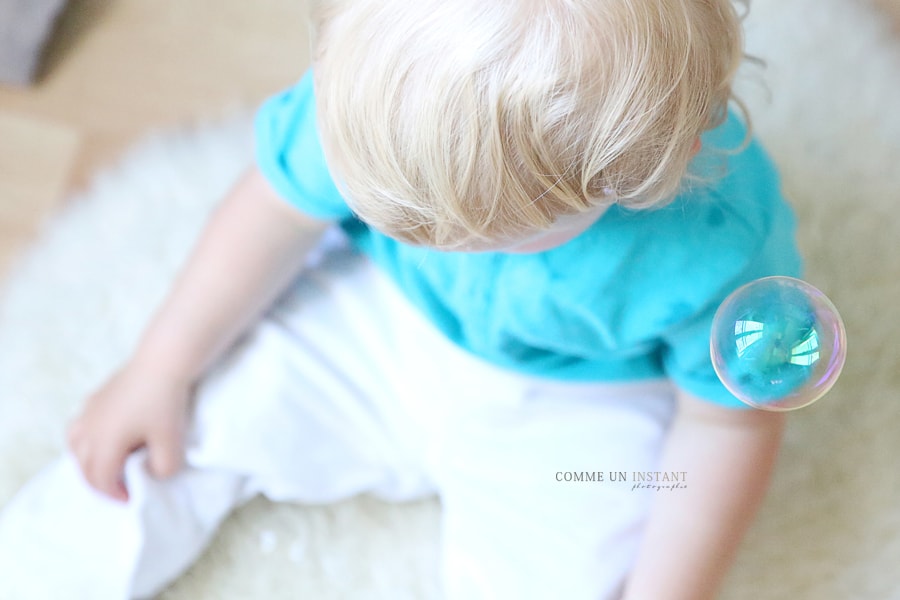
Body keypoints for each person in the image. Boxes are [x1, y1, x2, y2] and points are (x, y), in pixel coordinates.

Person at [0, 0, 802, 598]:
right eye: (405, 217)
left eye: (478, 231)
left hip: (577, 403)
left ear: (642, 170)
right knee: (178, 435)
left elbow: (728, 423)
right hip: (382, 316)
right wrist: (159, 367)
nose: (432, 237)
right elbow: (276, 210)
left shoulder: (726, 247)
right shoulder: (379, 100)